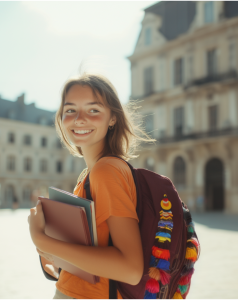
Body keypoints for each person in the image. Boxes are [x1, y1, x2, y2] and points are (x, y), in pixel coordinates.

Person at [27, 73, 153, 299]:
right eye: (70, 110)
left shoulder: (106, 172)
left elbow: (130, 269)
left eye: (93, 110)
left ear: (112, 118)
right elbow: (92, 258)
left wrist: (41, 238)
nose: (79, 118)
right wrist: (52, 254)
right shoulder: (89, 174)